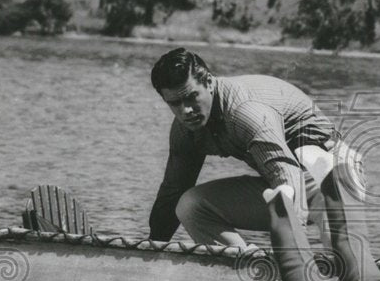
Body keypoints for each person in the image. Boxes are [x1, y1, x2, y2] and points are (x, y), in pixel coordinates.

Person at [147, 48, 363, 249]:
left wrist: (291, 256)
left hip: (329, 174)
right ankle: (244, 275)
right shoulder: (185, 130)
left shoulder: (245, 113)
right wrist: (150, 253)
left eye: (192, 97)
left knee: (344, 264)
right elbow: (171, 193)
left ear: (209, 83)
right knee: (189, 206)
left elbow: (287, 177)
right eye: (175, 103)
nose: (186, 110)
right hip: (284, 178)